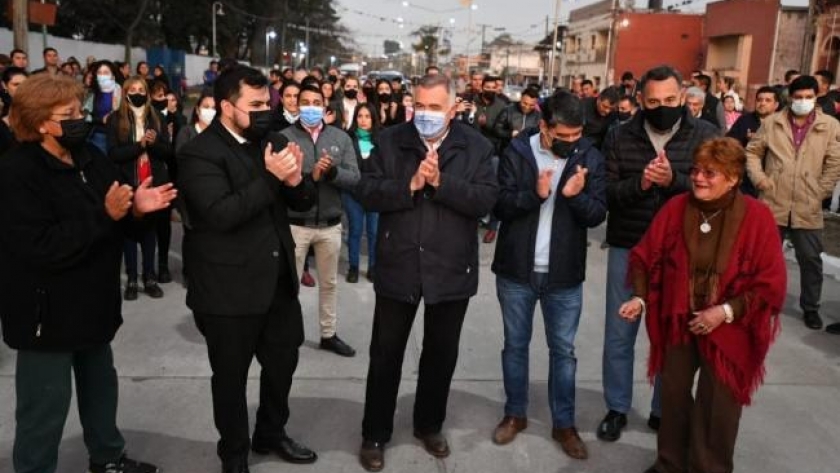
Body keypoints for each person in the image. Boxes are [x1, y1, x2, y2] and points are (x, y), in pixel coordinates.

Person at [0, 72, 175, 473]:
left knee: (101, 390)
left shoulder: (89, 159)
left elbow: (118, 219)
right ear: (41, 121)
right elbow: (38, 247)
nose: (80, 119)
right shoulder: (16, 172)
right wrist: (105, 214)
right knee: (44, 407)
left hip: (93, 305)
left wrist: (136, 210)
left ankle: (108, 458)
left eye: (80, 110)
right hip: (45, 316)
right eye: (69, 113)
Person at [177, 65, 318, 473]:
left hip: (276, 284)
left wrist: (294, 181)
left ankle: (271, 434)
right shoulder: (199, 153)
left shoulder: (272, 140)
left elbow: (304, 200)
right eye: (254, 105)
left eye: (267, 103)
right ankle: (234, 455)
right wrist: (274, 179)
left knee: (282, 366)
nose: (264, 111)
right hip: (227, 289)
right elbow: (221, 214)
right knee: (231, 379)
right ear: (226, 106)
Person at [355, 74, 498, 471]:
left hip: (451, 268)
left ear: (454, 108)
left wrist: (440, 182)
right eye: (420, 105)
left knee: (440, 355)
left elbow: (486, 198)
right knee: (386, 355)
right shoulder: (390, 140)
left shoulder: (477, 147)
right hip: (398, 263)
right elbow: (367, 191)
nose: (426, 114)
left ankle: (429, 424)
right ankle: (375, 433)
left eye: (435, 107)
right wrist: (411, 184)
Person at [622, 137, 787, 473]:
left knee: (719, 407)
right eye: (696, 170)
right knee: (674, 397)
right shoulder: (676, 207)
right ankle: (670, 463)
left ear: (733, 178)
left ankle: (709, 468)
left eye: (710, 173)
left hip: (730, 329)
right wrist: (640, 297)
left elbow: (771, 283)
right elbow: (644, 255)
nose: (698, 178)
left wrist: (724, 312)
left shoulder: (757, 217)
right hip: (679, 319)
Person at [598, 65, 720, 443]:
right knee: (620, 333)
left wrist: (674, 183)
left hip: (682, 252)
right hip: (629, 246)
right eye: (653, 101)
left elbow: (717, 192)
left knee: (671, 336)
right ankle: (617, 407)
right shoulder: (620, 136)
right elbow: (607, 192)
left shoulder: (705, 135)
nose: (662, 107)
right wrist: (643, 183)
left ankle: (662, 409)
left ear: (683, 97)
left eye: (670, 100)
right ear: (640, 100)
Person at [491, 91, 607, 460]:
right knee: (515, 346)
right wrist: (535, 194)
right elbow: (499, 206)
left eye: (577, 135)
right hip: (516, 272)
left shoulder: (590, 156)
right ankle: (515, 413)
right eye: (564, 136)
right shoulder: (517, 152)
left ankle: (564, 423)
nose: (572, 143)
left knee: (564, 352)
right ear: (544, 126)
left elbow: (598, 214)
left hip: (564, 275)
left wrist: (574, 197)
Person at [745, 75, 840, 332]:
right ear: (789, 97)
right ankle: (761, 303)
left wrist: (821, 191)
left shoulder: (829, 125)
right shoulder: (773, 122)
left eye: (808, 97)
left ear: (816, 96)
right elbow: (753, 152)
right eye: (798, 97)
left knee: (810, 259)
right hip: (773, 199)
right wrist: (761, 180)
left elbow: (834, 162)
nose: (803, 102)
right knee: (764, 258)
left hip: (808, 204)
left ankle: (811, 308)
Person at [281, 84, 360, 357]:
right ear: (296, 105)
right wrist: (310, 176)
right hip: (295, 225)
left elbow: (355, 178)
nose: (311, 107)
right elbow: (277, 181)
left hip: (330, 224)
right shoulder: (283, 137)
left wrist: (331, 172)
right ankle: (286, 335)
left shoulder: (341, 137)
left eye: (316, 102)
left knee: (329, 284)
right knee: (288, 286)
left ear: (325, 106)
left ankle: (328, 334)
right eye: (305, 102)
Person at [107, 76, 172, 300]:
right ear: (125, 92)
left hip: (152, 182)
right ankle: (132, 279)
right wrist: (139, 145)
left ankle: (150, 277)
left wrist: (153, 144)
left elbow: (167, 152)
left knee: (149, 232)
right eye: (132, 89)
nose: (137, 93)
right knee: (129, 234)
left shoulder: (156, 118)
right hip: (128, 182)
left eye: (141, 89)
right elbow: (114, 154)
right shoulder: (116, 119)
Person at [343, 103, 381, 283]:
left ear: (373, 118)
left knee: (374, 232)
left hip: (374, 194)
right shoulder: (347, 139)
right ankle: (354, 267)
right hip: (352, 194)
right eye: (360, 116)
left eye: (367, 116)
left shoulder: (381, 140)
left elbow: (384, 169)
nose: (363, 120)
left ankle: (373, 267)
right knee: (355, 231)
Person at [726, 86, 780, 197]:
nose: (762, 103)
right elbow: (729, 144)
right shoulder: (744, 120)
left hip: (773, 178)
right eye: (759, 100)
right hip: (746, 179)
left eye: (768, 100)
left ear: (776, 105)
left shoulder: (781, 123)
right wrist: (747, 141)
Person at [84, 61, 122, 154]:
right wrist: (101, 120)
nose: (102, 75)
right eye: (99, 73)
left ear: (113, 75)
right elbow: (84, 116)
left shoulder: (121, 91)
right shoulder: (92, 93)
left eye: (105, 73)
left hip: (119, 135)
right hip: (99, 135)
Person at [493, 87, 541, 153]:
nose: (527, 107)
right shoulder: (508, 110)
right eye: (525, 103)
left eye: (531, 105)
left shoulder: (538, 115)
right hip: (508, 150)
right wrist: (510, 134)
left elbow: (540, 133)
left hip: (528, 151)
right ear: (521, 98)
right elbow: (496, 129)